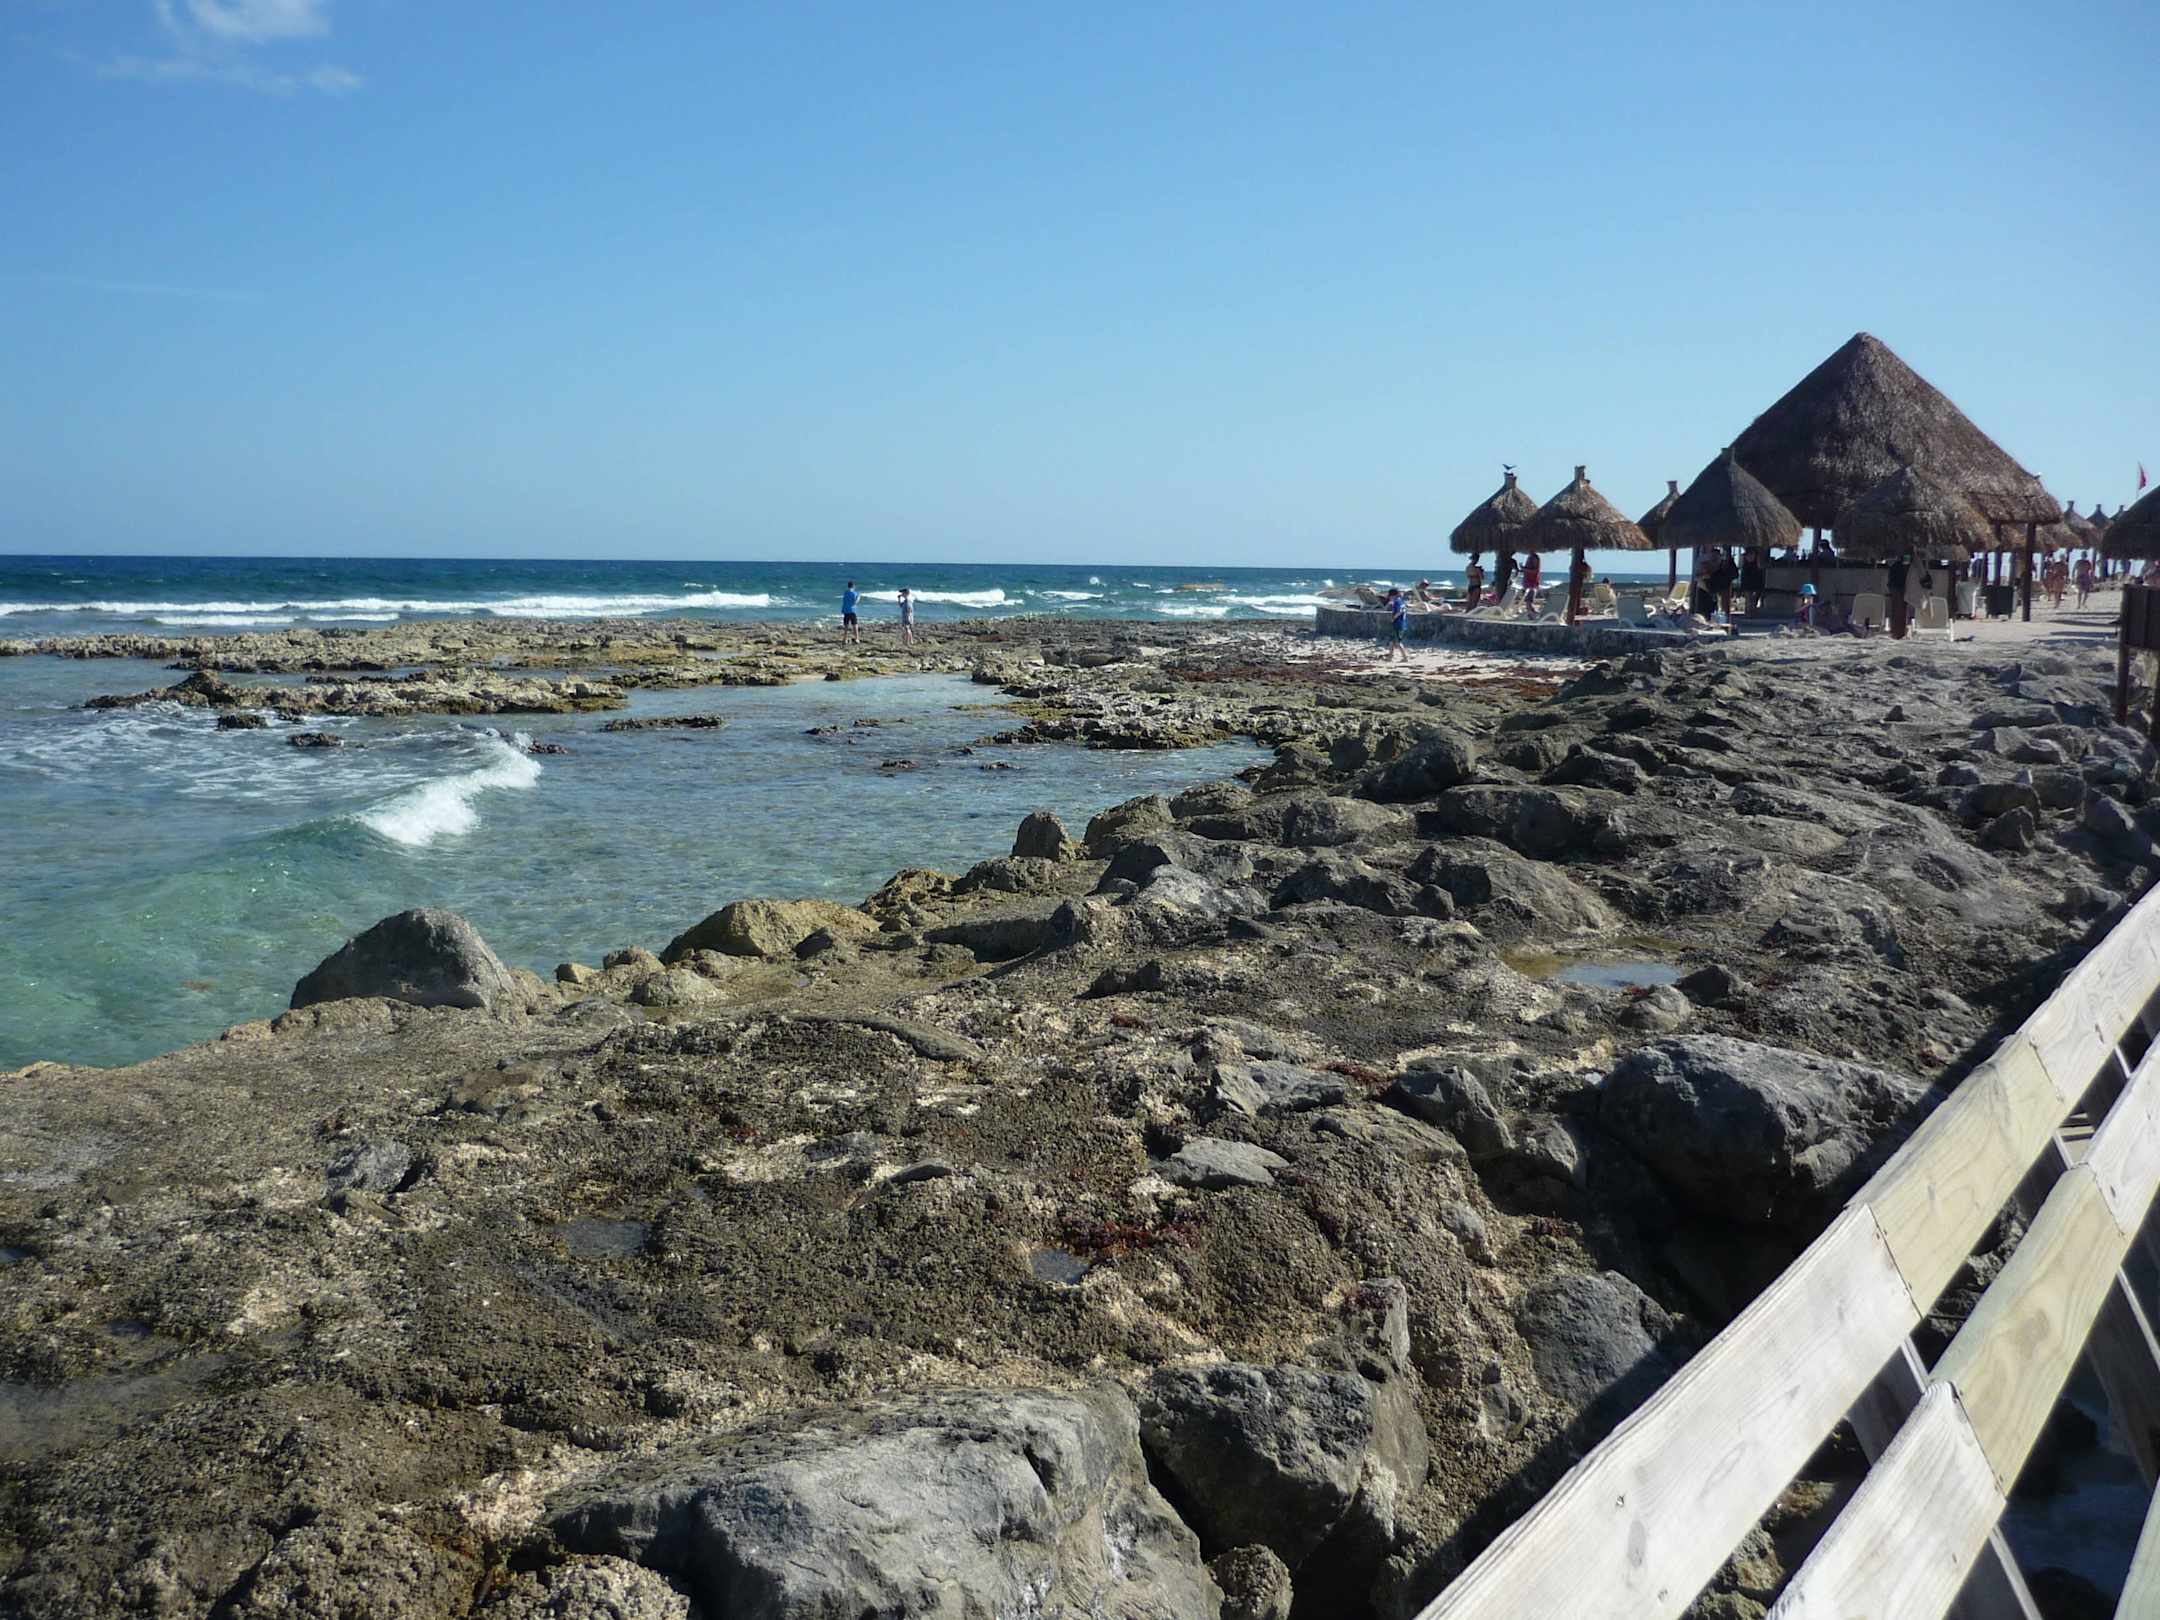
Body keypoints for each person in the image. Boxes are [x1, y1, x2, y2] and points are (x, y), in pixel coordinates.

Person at [1708, 548, 1739, 618]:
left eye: (1716, 556)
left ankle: (1724, 616)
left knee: (1724, 603)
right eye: (1713, 556)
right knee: (1716, 604)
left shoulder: (1726, 564)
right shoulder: (1709, 565)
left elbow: (1734, 574)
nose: (1714, 557)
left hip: (1724, 586)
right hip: (1714, 587)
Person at [1887, 551, 1911, 638]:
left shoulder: (1896, 565)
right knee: (1899, 609)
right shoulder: (1900, 565)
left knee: (1898, 609)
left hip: (1898, 585)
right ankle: (1898, 632)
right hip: (1898, 585)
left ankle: (1897, 631)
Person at [1383, 587, 1410, 662]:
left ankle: (1405, 657)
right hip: (1400, 624)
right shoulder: (1401, 601)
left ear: (1393, 595)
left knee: (1398, 642)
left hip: (1398, 624)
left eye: (1390, 596)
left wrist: (1393, 618)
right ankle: (1390, 657)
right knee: (1392, 641)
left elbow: (1399, 612)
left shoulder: (1396, 602)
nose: (1389, 598)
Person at [1741, 549, 1768, 615]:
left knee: (1753, 599)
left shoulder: (1757, 564)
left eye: (1752, 555)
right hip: (1748, 583)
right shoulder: (1745, 565)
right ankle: (1749, 612)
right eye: (1749, 555)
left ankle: (1752, 611)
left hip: (1755, 583)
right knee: (1749, 599)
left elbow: (1760, 567)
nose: (1750, 557)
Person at [840, 580, 862, 645]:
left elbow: (844, 601)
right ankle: (857, 639)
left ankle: (844, 639)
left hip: (846, 611)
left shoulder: (845, 593)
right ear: (853, 586)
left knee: (846, 625)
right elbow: (855, 602)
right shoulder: (854, 593)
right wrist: (859, 597)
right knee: (855, 625)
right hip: (852, 610)